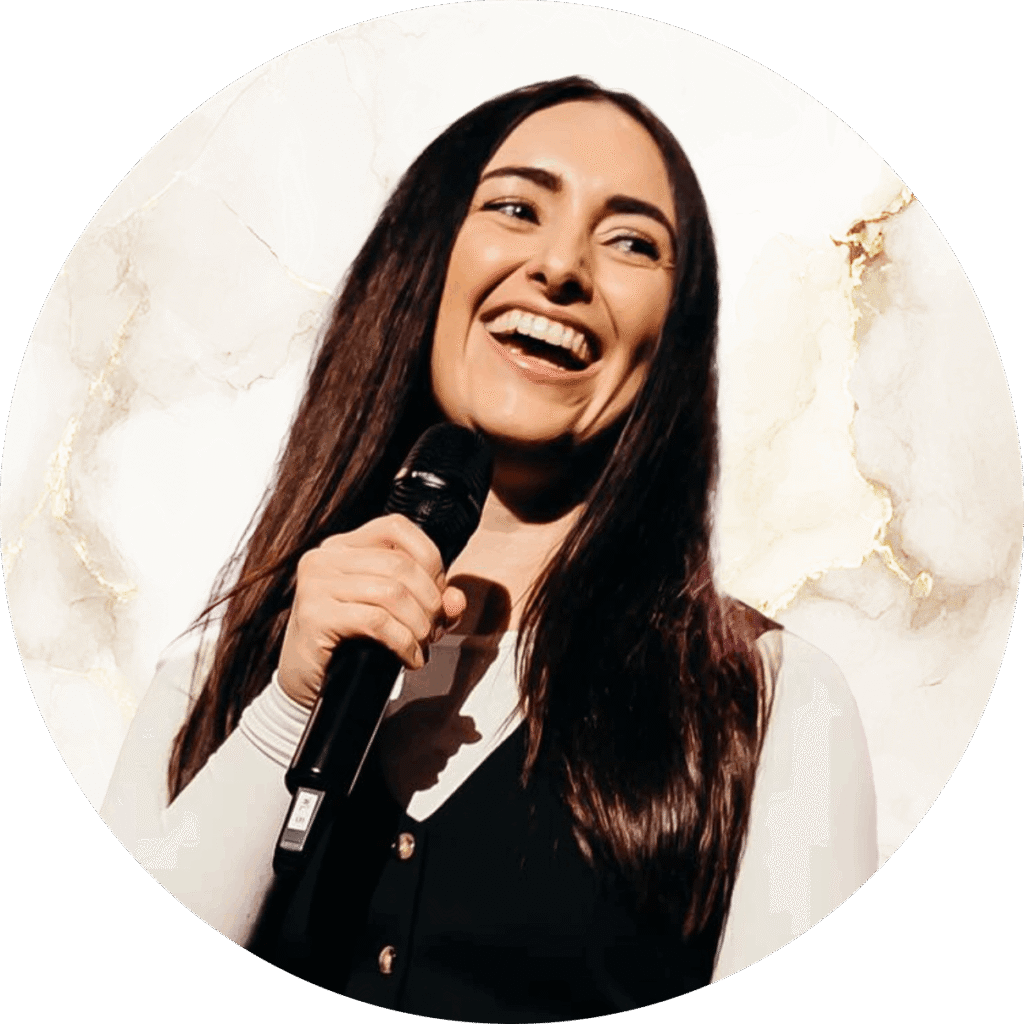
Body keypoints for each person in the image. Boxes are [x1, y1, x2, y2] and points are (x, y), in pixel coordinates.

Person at [100, 76, 877, 1018]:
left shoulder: (771, 701)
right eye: (516, 208)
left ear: (675, 336)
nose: (562, 267)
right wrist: (284, 716)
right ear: (425, 262)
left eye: (632, 242)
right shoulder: (215, 676)